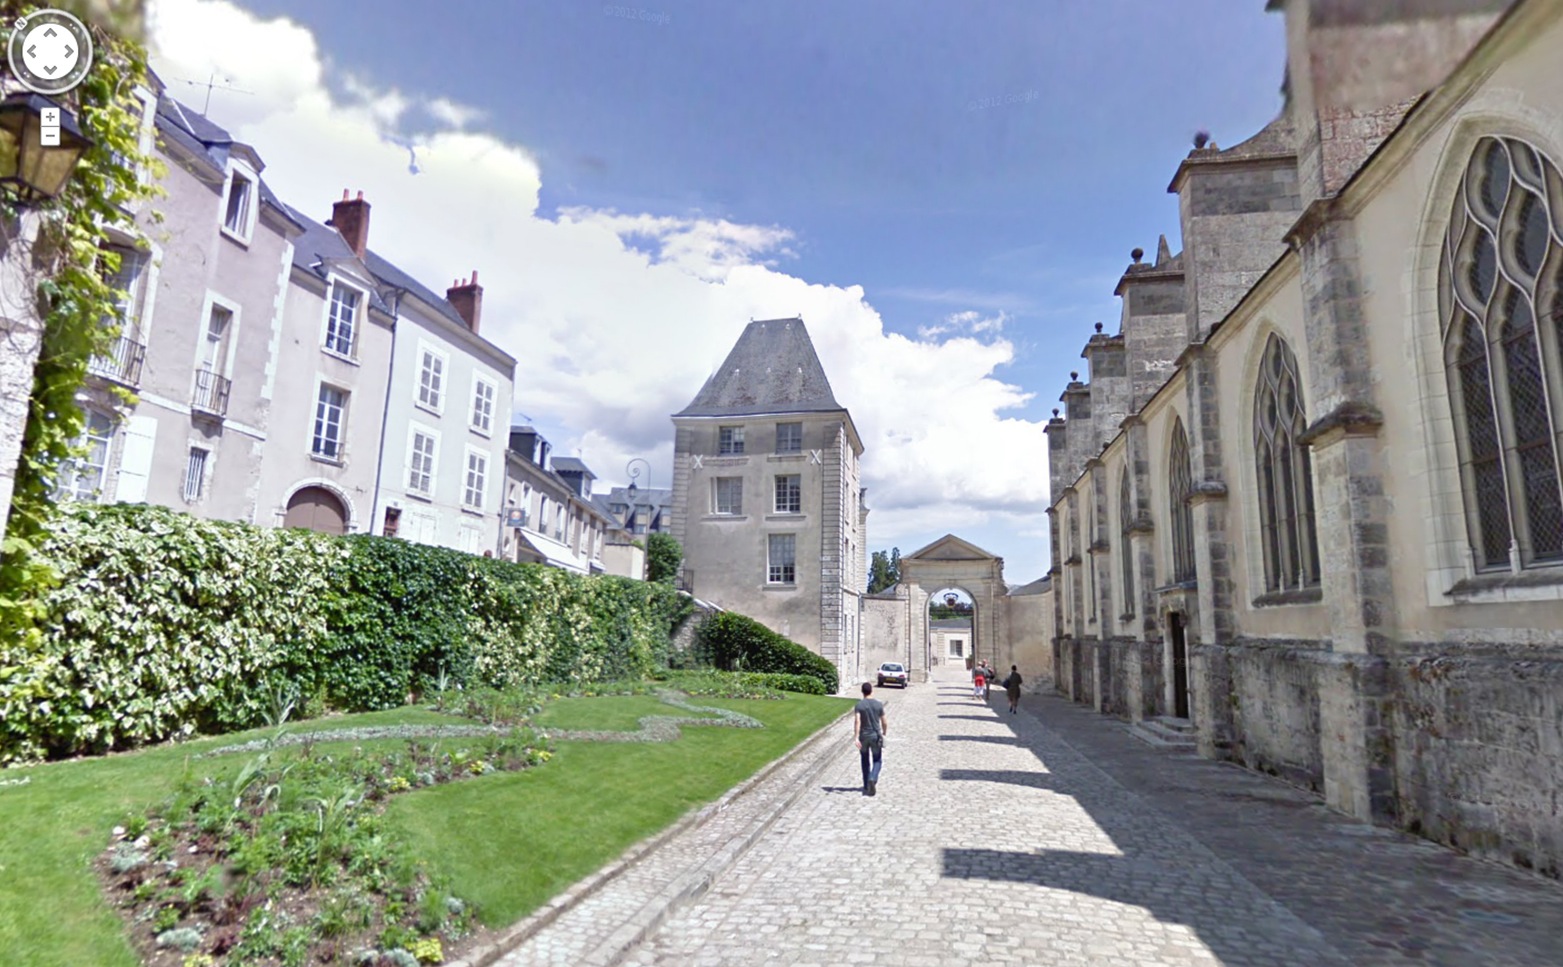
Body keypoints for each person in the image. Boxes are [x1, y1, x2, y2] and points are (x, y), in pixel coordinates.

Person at [854, 681, 888, 796]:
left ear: (862, 692)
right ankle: (873, 778)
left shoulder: (859, 705)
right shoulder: (878, 705)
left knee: (864, 760)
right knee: (877, 760)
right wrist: (884, 732)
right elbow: (884, 721)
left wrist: (856, 737)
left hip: (863, 736)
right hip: (875, 736)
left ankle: (866, 784)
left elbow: (857, 721)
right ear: (871, 691)